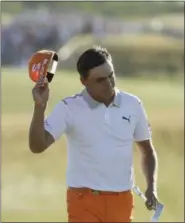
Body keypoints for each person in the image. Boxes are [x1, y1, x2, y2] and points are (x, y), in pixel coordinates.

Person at [29, 46, 159, 222]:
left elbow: (147, 151)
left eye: (111, 75)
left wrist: (151, 187)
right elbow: (37, 146)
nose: (109, 84)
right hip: (83, 201)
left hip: (122, 201)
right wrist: (40, 106)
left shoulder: (133, 104)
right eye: (100, 80)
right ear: (84, 81)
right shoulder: (69, 107)